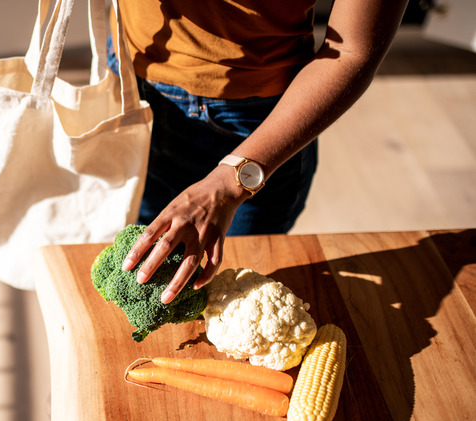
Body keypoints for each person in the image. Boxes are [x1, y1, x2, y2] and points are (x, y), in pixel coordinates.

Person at [108, 0, 409, 303]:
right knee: (139, 265)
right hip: (128, 85)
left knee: (237, 290)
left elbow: (350, 51)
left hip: (255, 123)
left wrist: (230, 183)